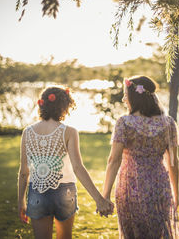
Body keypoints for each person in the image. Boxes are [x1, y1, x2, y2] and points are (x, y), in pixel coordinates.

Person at [17, 86, 113, 239]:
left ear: (42, 105)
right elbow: (78, 167)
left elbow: (24, 172)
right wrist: (99, 200)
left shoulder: (27, 132)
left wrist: (21, 200)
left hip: (37, 192)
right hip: (65, 193)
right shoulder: (69, 131)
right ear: (64, 108)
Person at [102, 76, 179, 238]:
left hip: (131, 187)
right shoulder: (168, 123)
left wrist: (105, 195)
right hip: (160, 187)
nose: (124, 99)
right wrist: (175, 193)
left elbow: (113, 160)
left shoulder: (124, 123)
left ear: (134, 97)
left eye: (126, 95)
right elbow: (173, 162)